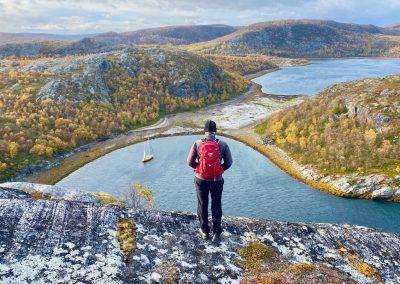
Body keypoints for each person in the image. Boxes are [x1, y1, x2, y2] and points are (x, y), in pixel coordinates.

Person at [187, 120, 232, 242]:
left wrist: (199, 169)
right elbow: (229, 162)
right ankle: (216, 232)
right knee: (216, 205)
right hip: (217, 181)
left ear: (205, 131)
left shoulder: (197, 143)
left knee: (202, 204)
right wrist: (219, 170)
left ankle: (204, 231)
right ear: (215, 131)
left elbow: (189, 162)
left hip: (201, 180)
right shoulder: (223, 144)